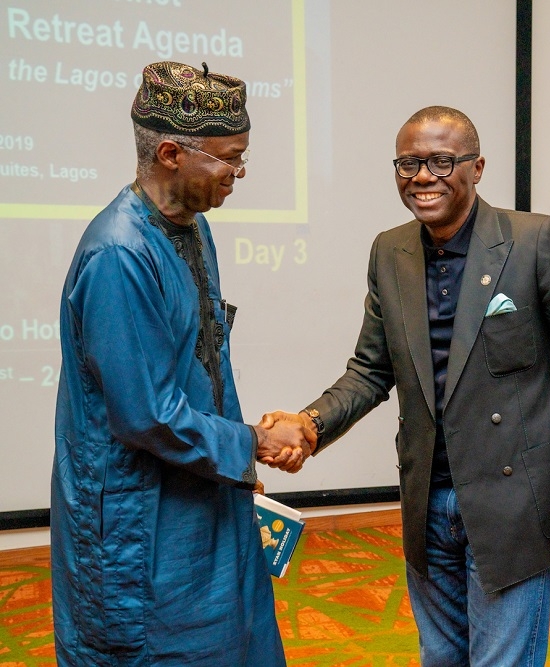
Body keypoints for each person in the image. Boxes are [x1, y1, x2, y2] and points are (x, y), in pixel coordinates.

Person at [263, 106, 550, 665]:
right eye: (409, 163)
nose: (423, 177)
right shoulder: (391, 250)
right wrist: (310, 424)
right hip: (426, 502)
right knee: (442, 659)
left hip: (514, 501)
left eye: (440, 161)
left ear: (476, 168)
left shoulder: (536, 241)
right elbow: (371, 368)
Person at [51, 61, 312, 666]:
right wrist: (252, 443)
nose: (240, 171)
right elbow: (147, 415)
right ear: (171, 152)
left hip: (204, 493)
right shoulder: (119, 253)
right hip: (141, 522)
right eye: (229, 156)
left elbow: (203, 367)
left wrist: (244, 453)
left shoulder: (191, 228)